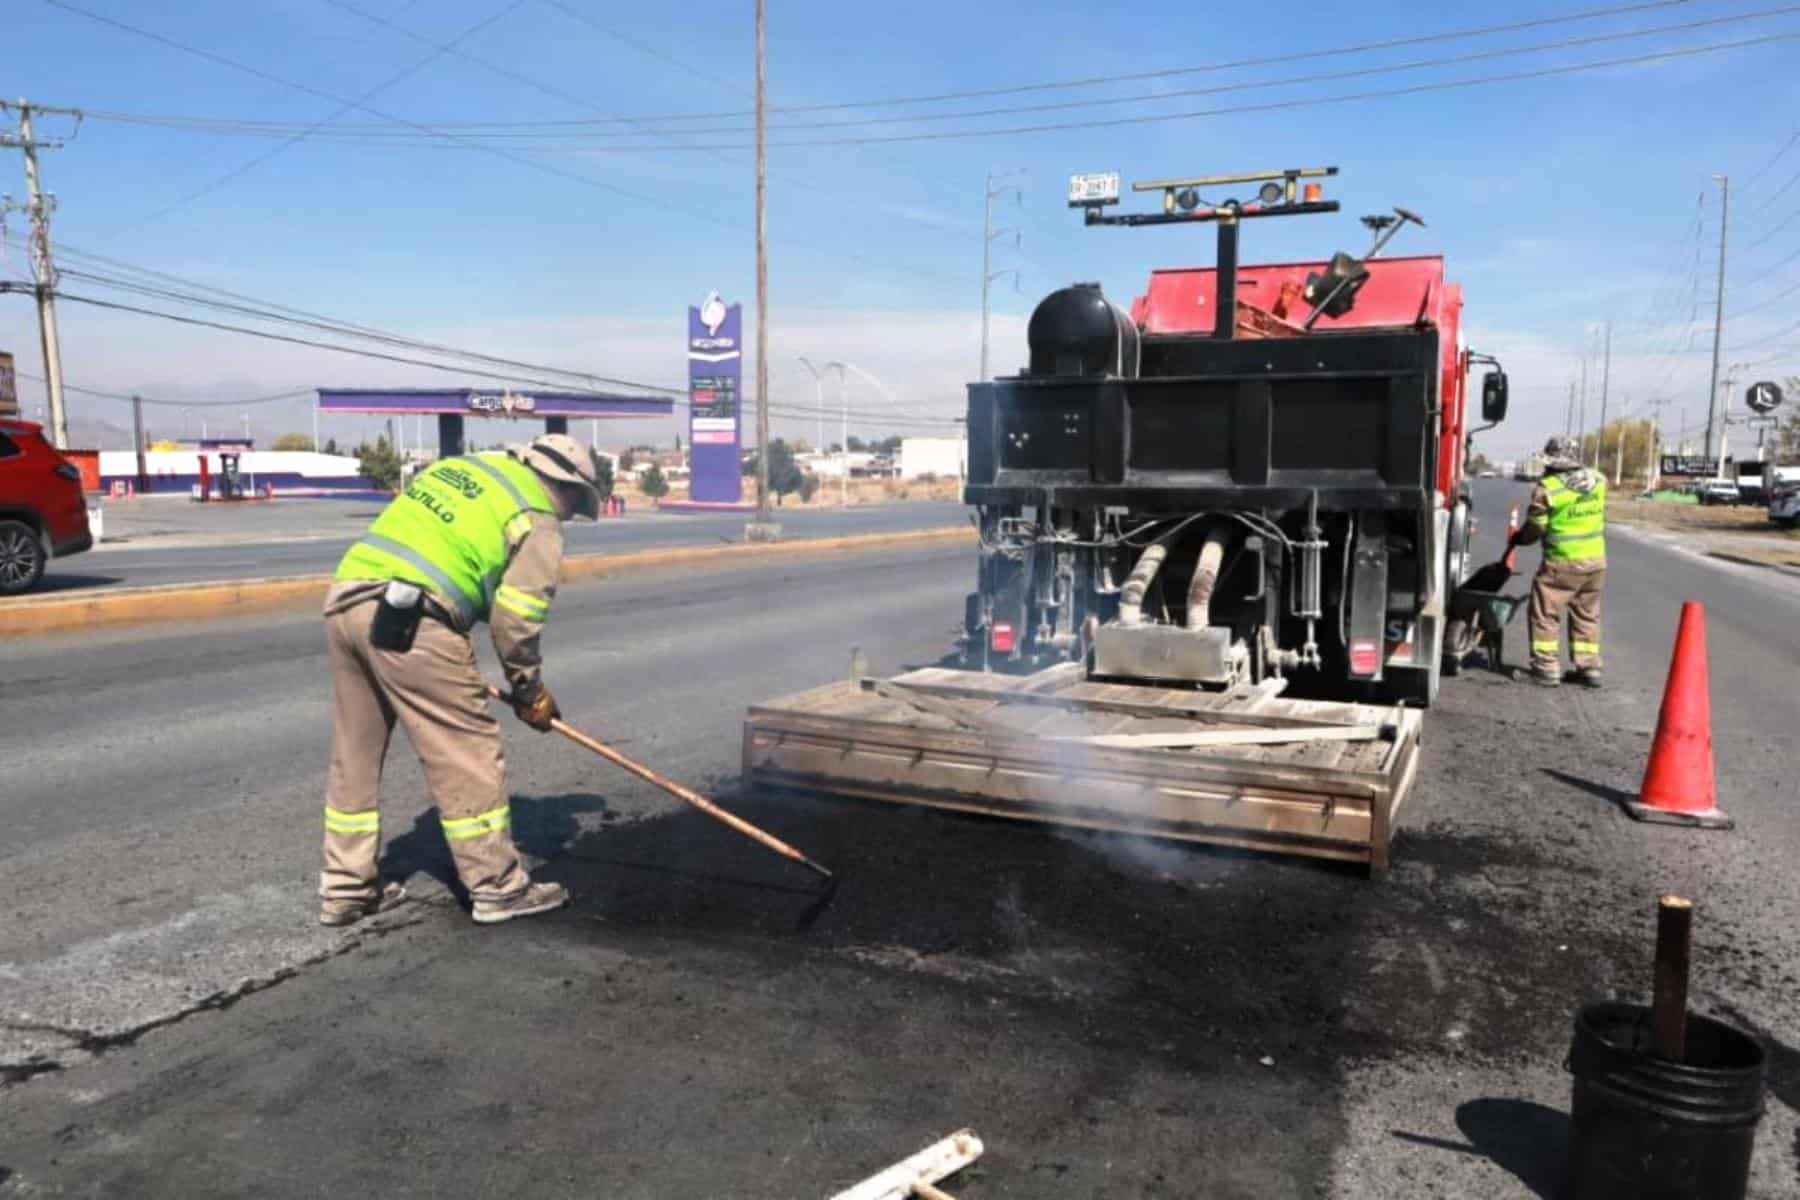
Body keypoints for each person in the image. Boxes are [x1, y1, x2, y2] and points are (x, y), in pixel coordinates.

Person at [317, 432, 603, 926]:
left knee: (355, 755)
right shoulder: (537, 517)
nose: (573, 515)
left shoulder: (469, 471)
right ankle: (497, 889)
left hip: (348, 600)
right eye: (578, 504)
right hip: (414, 618)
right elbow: (516, 620)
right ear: (568, 487)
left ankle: (345, 891)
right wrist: (529, 691)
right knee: (466, 751)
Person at [1510, 435, 1606, 688]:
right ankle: (1589, 667)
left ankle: (1546, 667)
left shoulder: (1548, 488)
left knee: (1545, 612)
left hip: (1563, 562)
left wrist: (1520, 538)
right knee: (1586, 614)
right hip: (1595, 562)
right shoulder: (1599, 481)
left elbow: (1536, 528)